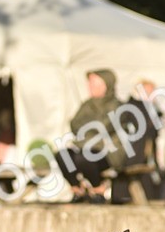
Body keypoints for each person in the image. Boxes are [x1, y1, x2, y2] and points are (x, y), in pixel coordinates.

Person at [56, 69, 130, 203]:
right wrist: (90, 130)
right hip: (84, 148)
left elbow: (104, 127)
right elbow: (74, 124)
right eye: (90, 83)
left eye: (95, 84)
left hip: (109, 153)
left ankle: (98, 189)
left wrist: (87, 130)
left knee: (84, 158)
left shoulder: (118, 106)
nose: (90, 87)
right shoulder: (87, 105)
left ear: (106, 85)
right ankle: (78, 189)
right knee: (62, 156)